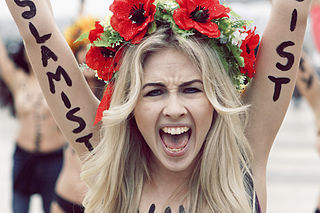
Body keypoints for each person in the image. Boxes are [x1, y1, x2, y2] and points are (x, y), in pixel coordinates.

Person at [5, 0, 311, 212]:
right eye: (153, 92)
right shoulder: (109, 161)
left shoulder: (242, 157)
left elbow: (291, 13)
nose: (174, 108)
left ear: (215, 98)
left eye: (192, 89)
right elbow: (39, 34)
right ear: (130, 104)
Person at [0, 39, 65, 212]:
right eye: (29, 48)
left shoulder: (59, 79)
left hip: (54, 159)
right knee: (18, 208)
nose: (33, 52)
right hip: (23, 156)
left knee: (51, 208)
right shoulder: (18, 79)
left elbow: (72, 50)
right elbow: (2, 58)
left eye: (37, 48)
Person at [50, 15, 105, 213]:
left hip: (98, 204)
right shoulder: (63, 92)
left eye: (94, 47)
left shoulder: (115, 97)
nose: (87, 53)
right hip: (63, 196)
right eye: (82, 48)